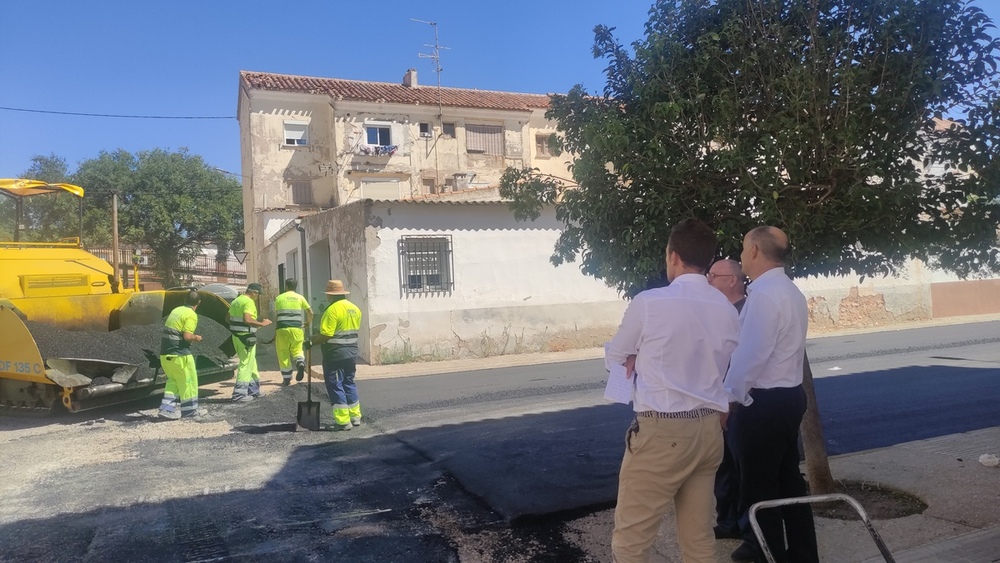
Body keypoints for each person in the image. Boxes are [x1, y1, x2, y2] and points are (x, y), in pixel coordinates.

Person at [606, 219, 740, 563]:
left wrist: (635, 355)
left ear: (674, 256)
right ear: (707, 260)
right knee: (698, 540)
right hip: (709, 430)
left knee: (632, 540)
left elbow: (617, 355)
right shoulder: (726, 308)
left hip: (663, 430)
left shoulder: (650, 302)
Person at [725, 226, 819, 563]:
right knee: (788, 482)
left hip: (764, 404)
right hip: (788, 398)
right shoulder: (789, 290)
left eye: (741, 248)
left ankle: (765, 554)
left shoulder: (764, 295)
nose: (739, 256)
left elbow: (750, 356)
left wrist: (728, 399)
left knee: (758, 487)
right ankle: (803, 553)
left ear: (753, 250)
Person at [707, 259, 748, 540]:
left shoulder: (748, 313)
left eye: (713, 276)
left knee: (742, 468)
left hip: (740, 402)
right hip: (719, 398)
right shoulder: (717, 312)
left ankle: (746, 530)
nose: (708, 281)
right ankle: (727, 522)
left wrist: (728, 402)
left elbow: (743, 363)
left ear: (732, 280)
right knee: (723, 467)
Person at [308, 279, 363, 431]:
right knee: (348, 381)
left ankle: (343, 421)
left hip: (335, 353)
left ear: (330, 295)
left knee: (334, 383)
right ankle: (355, 416)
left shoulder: (332, 310)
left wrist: (311, 341)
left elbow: (326, 335)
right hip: (351, 352)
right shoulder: (354, 308)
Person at [158, 291, 205, 419]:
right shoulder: (191, 314)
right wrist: (197, 337)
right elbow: (187, 336)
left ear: (185, 300)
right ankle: (190, 412)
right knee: (188, 382)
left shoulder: (176, 310)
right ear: (198, 303)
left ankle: (166, 410)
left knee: (173, 381)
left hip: (165, 354)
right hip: (180, 355)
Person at [228, 282, 272, 402]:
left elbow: (227, 318)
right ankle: (239, 395)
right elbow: (247, 319)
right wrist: (262, 323)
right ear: (254, 292)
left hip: (236, 337)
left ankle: (254, 390)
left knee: (252, 364)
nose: (257, 296)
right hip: (245, 337)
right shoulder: (248, 302)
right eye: (257, 294)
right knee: (245, 364)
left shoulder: (236, 301)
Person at [273, 278, 313, 386]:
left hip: (282, 328)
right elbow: (310, 312)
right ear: (296, 286)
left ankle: (286, 378)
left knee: (283, 352)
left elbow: (276, 316)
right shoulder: (300, 298)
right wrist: (308, 323)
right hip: (297, 328)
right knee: (297, 349)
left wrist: (275, 331)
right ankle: (300, 362)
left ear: (286, 286)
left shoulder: (279, 298)